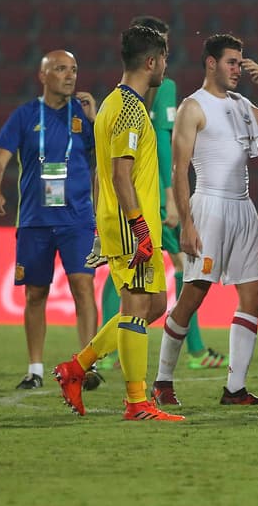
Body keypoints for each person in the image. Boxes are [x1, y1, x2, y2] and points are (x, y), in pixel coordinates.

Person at [151, 33, 258, 407]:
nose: (238, 69)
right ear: (211, 63)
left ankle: (235, 389)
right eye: (232, 62)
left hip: (243, 208)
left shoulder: (242, 104)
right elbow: (180, 171)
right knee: (193, 295)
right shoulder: (192, 107)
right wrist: (187, 222)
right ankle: (163, 381)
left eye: (240, 62)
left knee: (254, 295)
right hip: (210, 207)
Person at [53, 25, 184, 421]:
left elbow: (99, 175)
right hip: (133, 224)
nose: (165, 66)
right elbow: (119, 175)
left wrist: (100, 227)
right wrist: (140, 229)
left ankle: (76, 368)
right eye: (163, 59)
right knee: (135, 306)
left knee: (154, 304)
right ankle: (137, 402)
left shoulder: (112, 103)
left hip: (123, 221)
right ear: (151, 62)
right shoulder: (128, 108)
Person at [103, 16, 225, 378]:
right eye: (164, 51)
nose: (167, 58)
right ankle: (191, 352)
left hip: (133, 202)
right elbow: (167, 151)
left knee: (140, 288)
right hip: (147, 201)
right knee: (179, 272)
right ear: (151, 58)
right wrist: (173, 198)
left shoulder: (117, 99)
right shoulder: (152, 95)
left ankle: (97, 356)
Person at [0, 51, 98, 390]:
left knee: (83, 286)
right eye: (61, 69)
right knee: (36, 293)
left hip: (77, 219)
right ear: (43, 76)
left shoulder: (82, 115)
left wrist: (95, 120)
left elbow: (110, 158)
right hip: (36, 220)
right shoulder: (24, 116)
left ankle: (86, 365)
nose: (70, 76)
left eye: (74, 69)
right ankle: (35, 370)